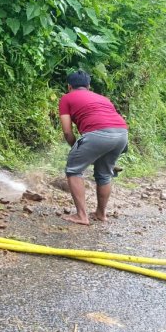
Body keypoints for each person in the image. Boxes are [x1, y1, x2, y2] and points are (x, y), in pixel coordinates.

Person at [59, 70, 128, 225]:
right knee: (104, 174)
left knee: (74, 170)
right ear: (88, 86)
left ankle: (82, 216)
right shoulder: (104, 99)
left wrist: (75, 148)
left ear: (69, 86)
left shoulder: (67, 98)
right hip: (122, 134)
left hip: (97, 134)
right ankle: (100, 214)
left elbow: (67, 131)